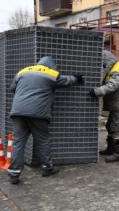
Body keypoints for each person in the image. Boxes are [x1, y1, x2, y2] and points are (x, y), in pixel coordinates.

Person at [7, 56, 84, 184]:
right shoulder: (50, 73)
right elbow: (66, 81)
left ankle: (14, 174)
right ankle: (47, 168)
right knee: (42, 141)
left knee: (18, 143)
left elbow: (12, 89)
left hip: (18, 112)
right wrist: (77, 78)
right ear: (51, 66)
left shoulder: (23, 71)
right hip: (38, 113)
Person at [89, 50, 119, 162]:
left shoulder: (118, 70)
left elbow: (111, 86)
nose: (102, 67)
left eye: (103, 64)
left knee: (116, 127)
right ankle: (111, 148)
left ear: (106, 61)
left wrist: (96, 91)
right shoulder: (114, 68)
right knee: (110, 125)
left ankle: (118, 153)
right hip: (117, 103)